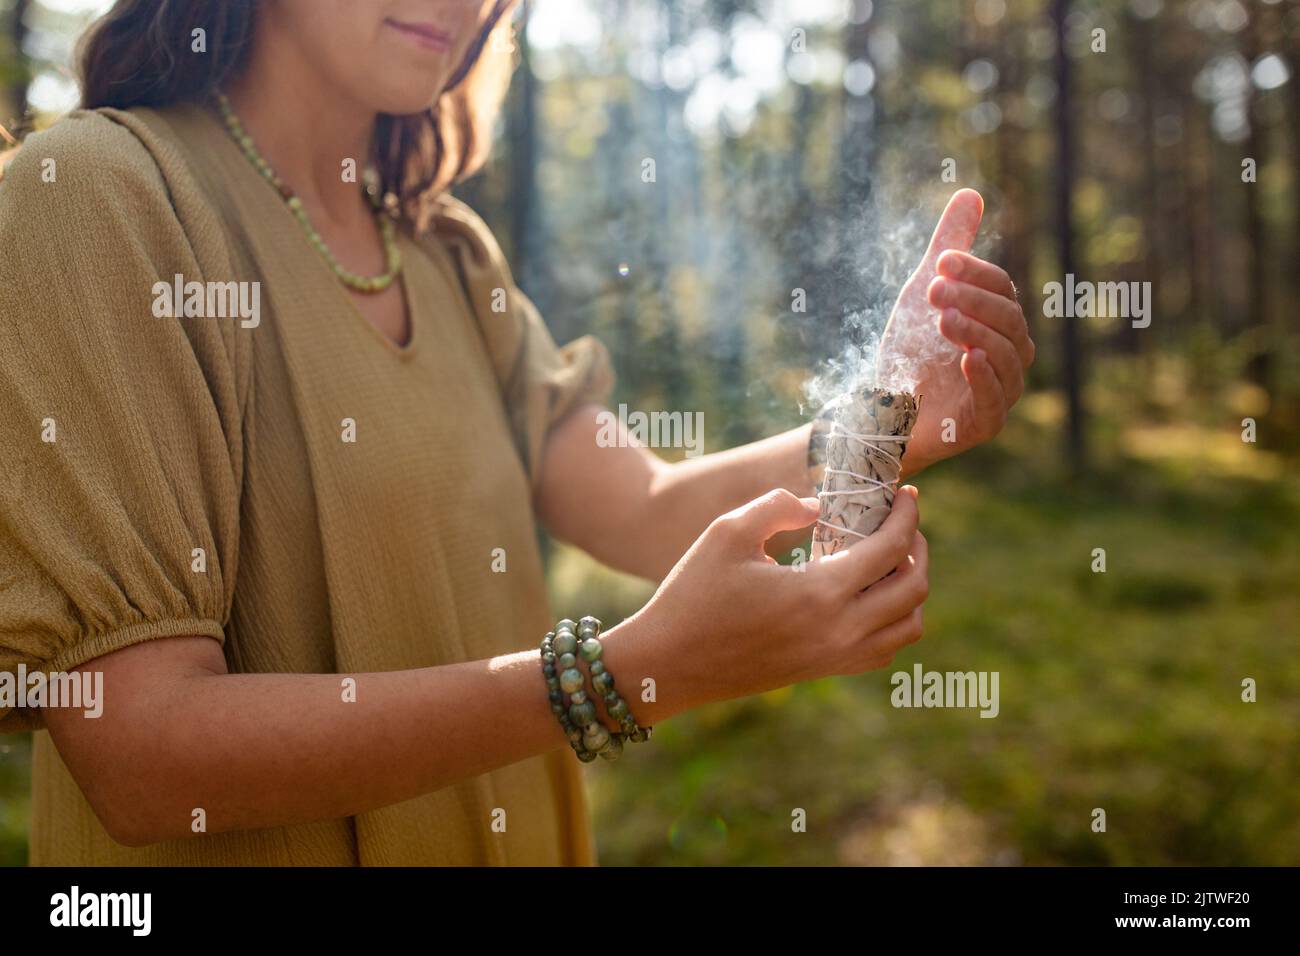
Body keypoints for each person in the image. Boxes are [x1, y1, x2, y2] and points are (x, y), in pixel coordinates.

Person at [0, 0, 1034, 865]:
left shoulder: (449, 255)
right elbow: (142, 755)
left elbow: (645, 508)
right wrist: (622, 674)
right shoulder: (103, 198)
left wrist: (891, 415)